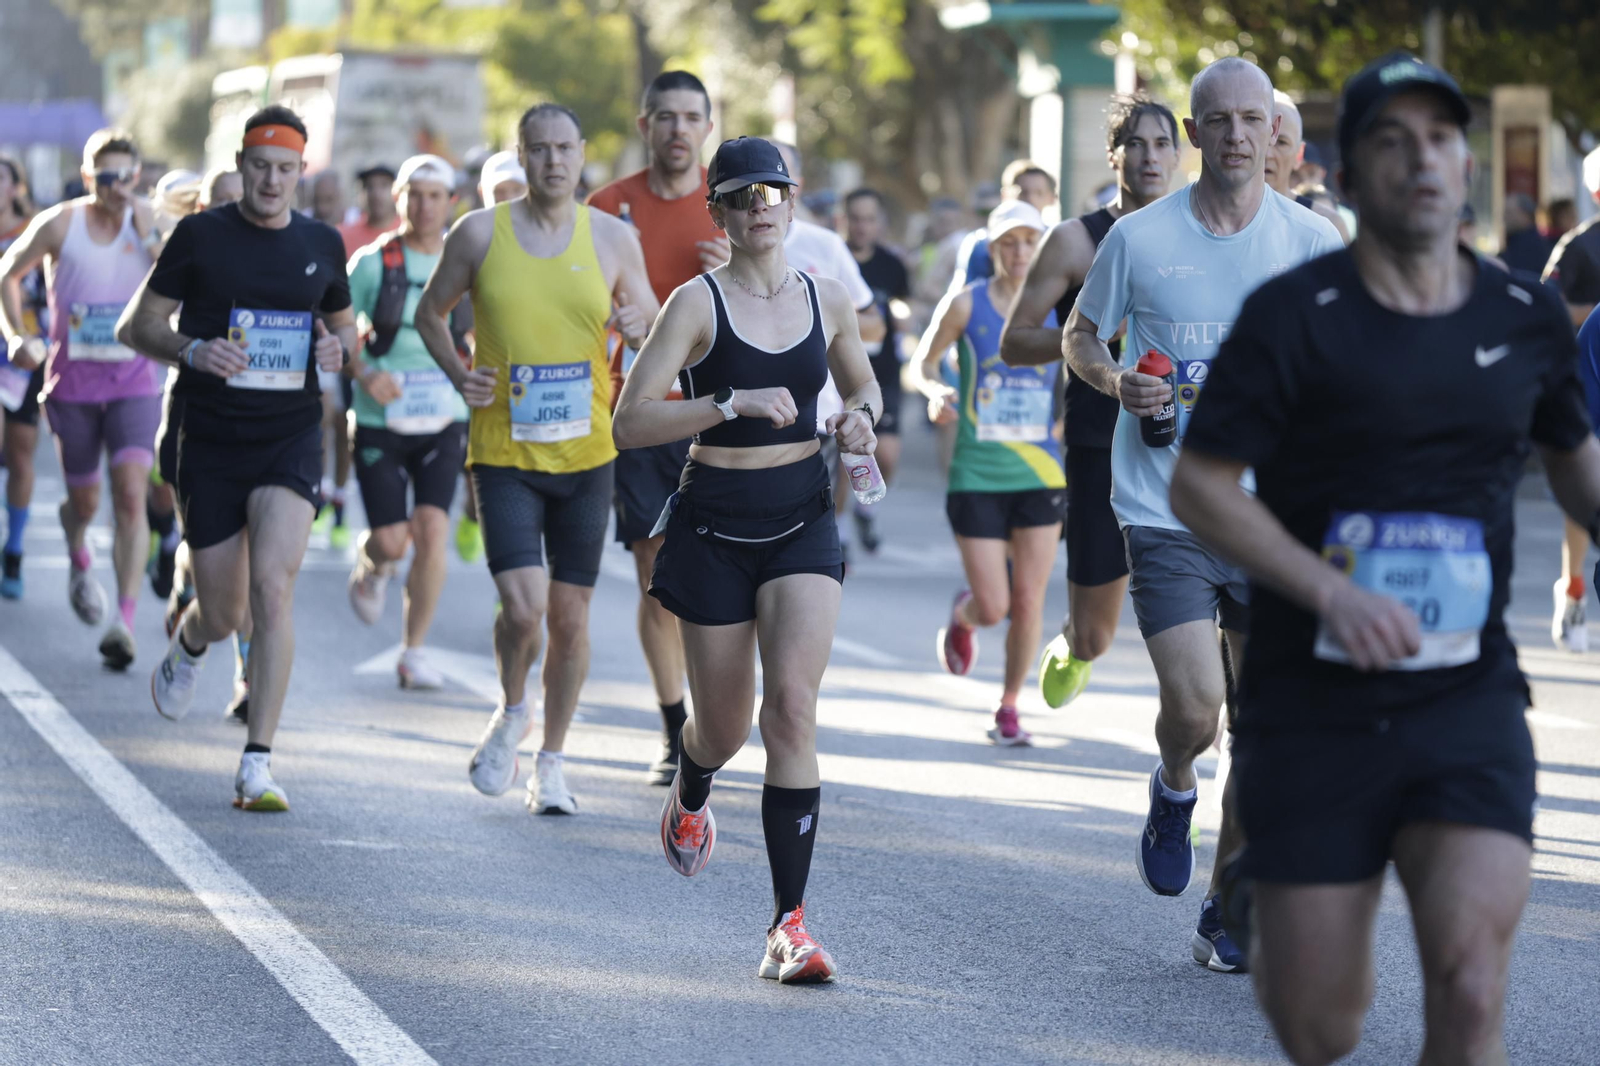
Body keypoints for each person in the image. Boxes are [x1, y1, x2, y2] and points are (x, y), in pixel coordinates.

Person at [1169, 52, 1600, 1065]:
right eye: (1391, 140)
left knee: (1468, 980)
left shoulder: (1522, 316)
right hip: (1311, 702)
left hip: (1464, 696)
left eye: (1441, 138)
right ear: (1347, 174)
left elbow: (1581, 479)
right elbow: (1199, 484)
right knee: (1320, 1022)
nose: (1422, 159)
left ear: (1466, 164)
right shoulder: (1292, 314)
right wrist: (1326, 588)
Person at [1066, 56, 1342, 972]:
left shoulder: (1313, 244)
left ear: (1274, 134)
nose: (1233, 135)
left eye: (1249, 119)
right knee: (1196, 704)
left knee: (1262, 731)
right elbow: (1080, 335)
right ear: (1194, 135)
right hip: (1167, 506)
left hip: (1275, 519)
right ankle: (1174, 781)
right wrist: (1115, 382)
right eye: (1215, 120)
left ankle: (1229, 907)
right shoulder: (1140, 242)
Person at [612, 135, 881, 985]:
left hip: (803, 515)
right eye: (743, 192)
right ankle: (693, 784)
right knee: (725, 728)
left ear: (794, 202)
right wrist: (724, 402)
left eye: (775, 189)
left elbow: (865, 384)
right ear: (720, 212)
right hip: (716, 524)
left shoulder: (829, 297)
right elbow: (630, 421)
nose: (762, 202)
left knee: (792, 711)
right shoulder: (695, 304)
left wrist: (861, 418)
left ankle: (787, 927)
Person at [411, 102, 655, 817]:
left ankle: (550, 761)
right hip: (503, 452)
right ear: (522, 157)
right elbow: (431, 312)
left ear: (582, 155)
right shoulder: (479, 232)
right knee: (524, 611)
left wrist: (638, 323)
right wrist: (460, 376)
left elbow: (651, 326)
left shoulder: (611, 238)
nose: (553, 161)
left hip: (587, 454)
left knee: (571, 622)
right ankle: (512, 707)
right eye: (538, 150)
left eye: (564, 149)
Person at [117, 104, 357, 811]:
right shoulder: (201, 235)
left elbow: (345, 329)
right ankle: (193, 641)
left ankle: (258, 761)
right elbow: (139, 325)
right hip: (211, 440)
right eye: (261, 167)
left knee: (273, 591)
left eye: (286, 169)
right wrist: (192, 349)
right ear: (242, 166)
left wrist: (338, 348)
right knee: (223, 611)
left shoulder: (321, 241)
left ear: (300, 173)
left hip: (288, 435)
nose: (272, 180)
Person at [1002, 92, 1181, 709]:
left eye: (1162, 144)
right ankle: (1073, 641)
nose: (1150, 157)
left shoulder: (1201, 235)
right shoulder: (1076, 240)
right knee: (1097, 635)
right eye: (1136, 144)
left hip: (1182, 442)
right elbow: (1015, 341)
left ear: (1181, 155)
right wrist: (1092, 338)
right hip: (1099, 442)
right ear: (1113, 155)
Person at [587, 71, 730, 785]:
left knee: (725, 580)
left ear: (707, 127)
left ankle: (718, 715)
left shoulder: (734, 207)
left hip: (722, 413)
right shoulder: (607, 209)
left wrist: (737, 268)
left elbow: (780, 299)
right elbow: (576, 312)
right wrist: (614, 316)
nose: (677, 128)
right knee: (658, 581)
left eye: (690, 117)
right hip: (640, 413)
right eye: (664, 116)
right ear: (645, 125)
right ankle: (676, 729)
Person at [0, 128, 161, 669]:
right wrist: (19, 334)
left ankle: (125, 621)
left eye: (126, 177)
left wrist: (154, 241)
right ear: (90, 177)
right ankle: (77, 554)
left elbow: (185, 285)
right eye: (106, 177)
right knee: (87, 504)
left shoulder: (150, 223)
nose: (117, 188)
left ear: (137, 177)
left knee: (132, 494)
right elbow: (7, 272)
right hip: (71, 386)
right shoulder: (60, 223)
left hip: (135, 383)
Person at [916, 200, 1062, 745]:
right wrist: (935, 391)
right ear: (993, 248)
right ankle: (967, 615)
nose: (1020, 252)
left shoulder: (1059, 307)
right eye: (1009, 242)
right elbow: (923, 362)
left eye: (1030, 242)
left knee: (1028, 601)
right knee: (996, 605)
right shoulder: (966, 304)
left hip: (1042, 471)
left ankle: (1009, 706)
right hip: (977, 472)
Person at [344, 154, 470, 689]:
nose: (423, 205)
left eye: (434, 196)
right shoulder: (372, 264)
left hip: (445, 418)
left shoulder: (467, 262)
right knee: (394, 542)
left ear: (450, 203)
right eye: (413, 194)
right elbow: (336, 330)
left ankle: (413, 650)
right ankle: (372, 565)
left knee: (433, 532)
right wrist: (364, 372)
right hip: (381, 419)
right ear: (399, 200)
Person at [769, 142, 885, 569]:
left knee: (805, 545)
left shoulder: (825, 246)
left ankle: (831, 539)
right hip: (740, 425)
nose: (765, 200)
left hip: (817, 415)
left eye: (780, 181)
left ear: (796, 188)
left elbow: (873, 324)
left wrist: (817, 329)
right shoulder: (719, 246)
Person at [842, 188, 912, 553]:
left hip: (882, 372)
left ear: (880, 223)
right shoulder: (834, 258)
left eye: (869, 219)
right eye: (855, 218)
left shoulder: (892, 265)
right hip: (837, 372)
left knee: (886, 455)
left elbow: (903, 305)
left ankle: (863, 509)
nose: (862, 226)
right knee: (845, 451)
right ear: (844, 219)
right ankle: (837, 532)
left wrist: (903, 320)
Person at [0, 154, 47, 601]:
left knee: (20, 453)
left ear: (16, 186)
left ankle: (13, 547)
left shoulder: (36, 232)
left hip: (25, 352)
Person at [949, 161, 1060, 292]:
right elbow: (964, 293)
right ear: (1005, 195)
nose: (1030, 199)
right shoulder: (980, 244)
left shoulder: (1057, 242)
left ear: (1052, 198)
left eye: (1039, 193)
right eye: (1023, 192)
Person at [1267, 92, 1351, 243]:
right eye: (1262, 139)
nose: (1268, 154)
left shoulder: (1328, 227)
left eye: (1281, 142)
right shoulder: (1216, 223)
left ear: (1299, 155)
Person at [338, 164, 400, 258]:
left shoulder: (409, 233)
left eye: (384, 185)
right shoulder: (343, 236)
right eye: (369, 187)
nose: (376, 194)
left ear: (396, 192)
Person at [1501, 192, 1552, 275]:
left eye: (1509, 212)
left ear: (1525, 215)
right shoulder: (1515, 242)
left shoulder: (1532, 247)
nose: (1504, 217)